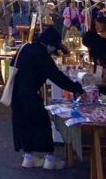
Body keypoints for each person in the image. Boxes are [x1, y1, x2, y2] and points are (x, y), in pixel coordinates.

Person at [11, 28, 84, 170]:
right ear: (50, 44)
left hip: (16, 93)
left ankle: (29, 157)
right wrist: (77, 88)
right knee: (42, 124)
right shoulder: (42, 56)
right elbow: (57, 77)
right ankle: (50, 159)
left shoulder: (25, 48)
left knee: (23, 124)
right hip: (31, 94)